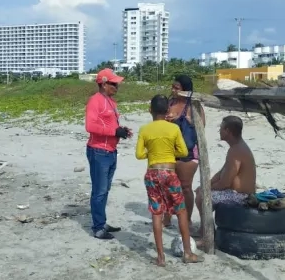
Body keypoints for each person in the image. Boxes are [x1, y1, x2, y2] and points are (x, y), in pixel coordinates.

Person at [136, 95, 202, 265]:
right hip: (169, 172)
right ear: (167, 111)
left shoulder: (144, 130)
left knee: (156, 213)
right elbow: (182, 151)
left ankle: (160, 257)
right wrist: (170, 152)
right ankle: (188, 253)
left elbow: (139, 154)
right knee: (181, 211)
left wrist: (152, 153)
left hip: (152, 173)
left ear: (150, 110)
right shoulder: (173, 129)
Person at [84, 68, 132, 240]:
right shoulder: (95, 101)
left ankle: (102, 222)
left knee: (105, 190)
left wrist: (122, 131)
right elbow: (90, 126)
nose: (117, 86)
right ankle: (98, 227)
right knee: (99, 190)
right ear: (103, 84)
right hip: (99, 151)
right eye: (113, 83)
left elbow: (111, 125)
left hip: (110, 152)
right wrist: (114, 131)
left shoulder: (110, 101)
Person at [194, 115, 257, 239]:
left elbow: (225, 183)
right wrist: (206, 185)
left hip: (241, 196)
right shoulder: (236, 148)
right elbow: (221, 173)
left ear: (228, 131)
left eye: (221, 128)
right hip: (236, 193)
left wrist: (206, 191)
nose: (219, 131)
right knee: (202, 191)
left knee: (201, 197)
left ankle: (206, 233)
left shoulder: (236, 151)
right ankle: (206, 229)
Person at [165, 75, 205, 231]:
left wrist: (188, 120)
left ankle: (187, 219)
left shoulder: (193, 105)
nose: (173, 90)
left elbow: (202, 126)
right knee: (168, 185)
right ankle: (167, 217)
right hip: (169, 151)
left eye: (177, 88)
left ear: (185, 90)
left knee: (186, 187)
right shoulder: (170, 103)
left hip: (188, 153)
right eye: (172, 87)